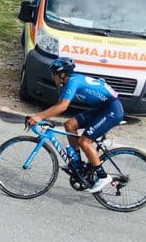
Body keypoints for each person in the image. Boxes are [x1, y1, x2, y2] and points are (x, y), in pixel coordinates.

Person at [27, 57, 124, 193]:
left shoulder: (73, 81)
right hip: (104, 108)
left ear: (62, 74)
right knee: (70, 124)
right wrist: (40, 115)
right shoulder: (71, 81)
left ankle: (103, 176)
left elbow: (62, 107)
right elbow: (58, 105)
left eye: (53, 73)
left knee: (85, 141)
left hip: (112, 110)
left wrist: (38, 117)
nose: (52, 76)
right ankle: (77, 165)